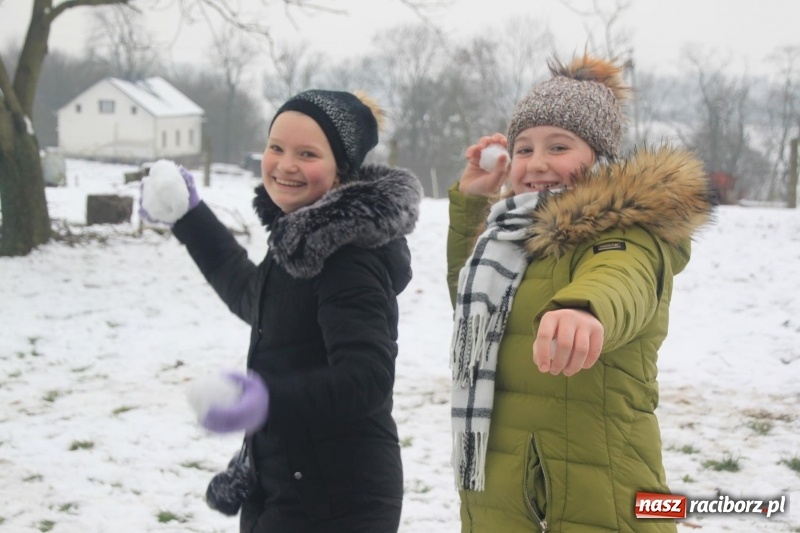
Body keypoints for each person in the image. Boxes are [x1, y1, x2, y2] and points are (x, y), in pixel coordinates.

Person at [446, 53, 715, 532]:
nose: (538, 163)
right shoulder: (508, 239)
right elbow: (474, 314)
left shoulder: (627, 233)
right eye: (524, 149)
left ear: (600, 157)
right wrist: (471, 207)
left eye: (559, 146)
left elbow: (621, 276)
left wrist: (582, 308)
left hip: (594, 497)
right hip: (502, 490)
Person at [140, 89, 423, 532]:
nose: (285, 164)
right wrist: (189, 216)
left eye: (307, 153)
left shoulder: (349, 258)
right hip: (286, 478)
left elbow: (367, 378)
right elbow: (254, 297)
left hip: (340, 497)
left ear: (341, 170)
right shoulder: (302, 240)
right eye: (276, 147)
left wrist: (266, 400)